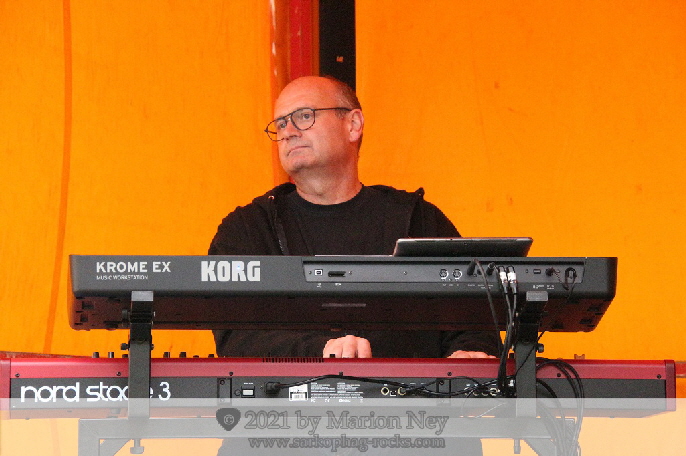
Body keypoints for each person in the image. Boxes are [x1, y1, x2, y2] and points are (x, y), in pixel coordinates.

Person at [209, 75, 499, 360]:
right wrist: (321, 351)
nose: (288, 132)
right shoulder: (248, 230)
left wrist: (469, 355)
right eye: (281, 124)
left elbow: (474, 320)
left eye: (304, 116)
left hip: (411, 393)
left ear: (353, 124)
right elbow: (236, 338)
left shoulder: (418, 219)